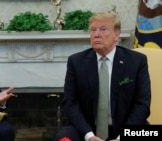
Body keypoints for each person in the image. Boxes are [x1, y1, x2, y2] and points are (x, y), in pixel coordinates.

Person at [53, 12, 151, 141]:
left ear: (116, 35)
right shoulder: (76, 62)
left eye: (103, 29)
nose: (96, 34)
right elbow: (70, 103)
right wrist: (89, 136)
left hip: (126, 128)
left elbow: (142, 104)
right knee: (63, 138)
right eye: (93, 30)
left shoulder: (137, 61)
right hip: (87, 129)